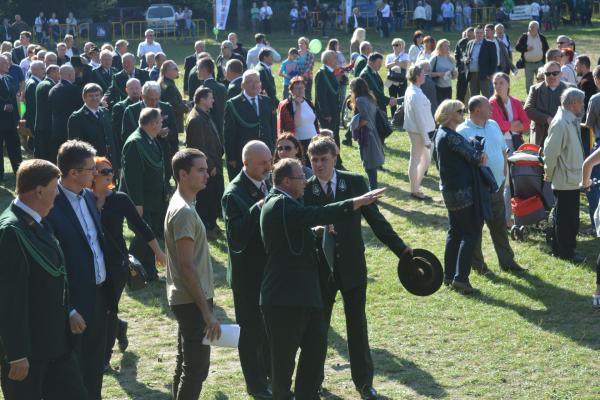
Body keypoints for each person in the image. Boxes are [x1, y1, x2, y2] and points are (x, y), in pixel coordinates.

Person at [259, 157, 386, 400]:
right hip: (285, 299)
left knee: (315, 351)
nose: (305, 182)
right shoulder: (280, 204)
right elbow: (315, 213)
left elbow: (297, 227)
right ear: (286, 181)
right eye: (300, 177)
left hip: (306, 295)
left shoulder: (286, 204)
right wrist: (356, 202)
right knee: (283, 366)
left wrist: (313, 232)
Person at [303, 136, 410, 400]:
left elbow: (376, 220)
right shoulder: (305, 189)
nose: (318, 165)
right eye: (314, 160)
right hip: (321, 270)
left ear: (335, 158)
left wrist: (402, 250)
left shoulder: (355, 183)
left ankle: (364, 384)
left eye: (323, 160)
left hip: (352, 267)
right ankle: (313, 382)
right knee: (317, 328)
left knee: (357, 327)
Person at [0, 159, 88, 400]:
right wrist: (16, 354)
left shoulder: (39, 221)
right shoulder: (11, 231)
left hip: (56, 344)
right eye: (53, 188)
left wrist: (68, 311)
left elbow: (51, 276)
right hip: (29, 353)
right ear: (39, 191)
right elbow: (9, 298)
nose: (57, 195)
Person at [46, 140, 117, 400]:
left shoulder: (88, 196)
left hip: (99, 296)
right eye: (91, 169)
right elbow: (54, 264)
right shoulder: (51, 206)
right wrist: (68, 308)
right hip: (74, 303)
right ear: (74, 173)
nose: (96, 174)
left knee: (94, 365)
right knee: (72, 372)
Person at [90, 156, 165, 371]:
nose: (109, 174)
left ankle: (104, 358)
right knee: (98, 309)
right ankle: (119, 328)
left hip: (116, 263)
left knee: (108, 309)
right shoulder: (84, 198)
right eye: (103, 171)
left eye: (110, 171)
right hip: (92, 262)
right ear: (92, 174)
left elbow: (141, 226)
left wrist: (158, 253)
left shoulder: (120, 199)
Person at [165, 148, 220, 399]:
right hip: (191, 300)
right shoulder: (184, 212)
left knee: (186, 364)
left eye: (206, 169)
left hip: (186, 298)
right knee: (196, 369)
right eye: (200, 170)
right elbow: (187, 265)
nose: (207, 174)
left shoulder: (185, 204)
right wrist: (206, 312)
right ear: (183, 175)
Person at [222, 140, 273, 399]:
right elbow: (237, 237)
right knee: (251, 333)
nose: (269, 166)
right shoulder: (234, 194)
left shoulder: (268, 183)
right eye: (263, 163)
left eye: (269, 161)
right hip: (247, 277)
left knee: (268, 331)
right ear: (246, 164)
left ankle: (270, 377)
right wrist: (260, 207)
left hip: (267, 273)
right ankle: (256, 385)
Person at [457, 95, 525, 274]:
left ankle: (508, 262)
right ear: (477, 110)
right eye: (488, 106)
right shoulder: (462, 131)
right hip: (478, 189)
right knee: (475, 228)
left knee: (499, 226)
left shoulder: (493, 124)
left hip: (497, 186)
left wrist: (503, 170)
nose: (492, 109)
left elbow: (503, 149)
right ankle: (479, 267)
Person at [434, 99, 488, 294]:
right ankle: (461, 279)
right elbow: (474, 157)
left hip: (449, 191)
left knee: (455, 232)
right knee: (471, 232)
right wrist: (480, 155)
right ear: (449, 114)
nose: (463, 113)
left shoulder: (440, 134)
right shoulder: (451, 137)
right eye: (459, 111)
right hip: (462, 192)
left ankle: (449, 275)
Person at [120, 108, 168, 282]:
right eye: (160, 121)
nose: (162, 124)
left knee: (151, 234)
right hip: (141, 200)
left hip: (153, 198)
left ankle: (149, 272)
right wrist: (137, 203)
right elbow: (131, 176)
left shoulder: (150, 140)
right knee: (143, 236)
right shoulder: (135, 142)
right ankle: (129, 270)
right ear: (153, 123)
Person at [544, 88, 586, 264]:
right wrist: (549, 173)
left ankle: (561, 247)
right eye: (581, 102)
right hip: (565, 179)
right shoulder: (561, 122)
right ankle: (566, 252)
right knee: (566, 219)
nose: (583, 105)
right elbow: (551, 152)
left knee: (566, 216)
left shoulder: (569, 120)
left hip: (571, 178)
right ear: (574, 103)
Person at [490, 72, 530, 227]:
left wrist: (509, 125)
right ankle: (506, 219)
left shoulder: (515, 102)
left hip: (517, 142)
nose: (497, 86)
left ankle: (519, 214)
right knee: (507, 182)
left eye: (500, 83)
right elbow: (499, 125)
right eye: (495, 83)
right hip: (502, 144)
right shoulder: (491, 103)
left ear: (507, 84)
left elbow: (526, 124)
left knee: (518, 180)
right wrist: (514, 124)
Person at [186, 86, 225, 241]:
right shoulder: (196, 119)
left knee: (214, 195)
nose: (213, 100)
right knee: (206, 198)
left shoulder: (204, 115)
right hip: (208, 167)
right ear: (202, 99)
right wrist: (209, 166)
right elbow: (198, 147)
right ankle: (206, 227)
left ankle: (212, 224)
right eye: (210, 98)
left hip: (214, 164)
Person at [122, 81, 177, 182]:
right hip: (142, 158)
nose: (154, 103)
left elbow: (175, 132)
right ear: (142, 96)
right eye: (151, 99)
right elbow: (126, 136)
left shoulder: (166, 107)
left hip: (163, 158)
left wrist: (167, 132)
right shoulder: (131, 111)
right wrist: (152, 133)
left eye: (157, 99)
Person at [224, 70, 275, 179]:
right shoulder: (233, 104)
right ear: (242, 85)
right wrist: (231, 157)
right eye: (250, 82)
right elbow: (229, 133)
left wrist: (273, 148)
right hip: (244, 154)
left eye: (257, 82)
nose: (254, 85)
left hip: (265, 152)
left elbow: (272, 128)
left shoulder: (267, 101)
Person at [67, 83, 119, 171]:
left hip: (109, 163)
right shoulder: (77, 117)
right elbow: (76, 147)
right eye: (91, 96)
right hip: (91, 165)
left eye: (97, 95)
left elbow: (113, 138)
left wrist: (117, 163)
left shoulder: (105, 112)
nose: (94, 98)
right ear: (84, 97)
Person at [403, 65, 435, 199]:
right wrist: (426, 139)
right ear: (417, 76)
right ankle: (415, 189)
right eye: (422, 73)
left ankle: (415, 187)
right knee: (418, 159)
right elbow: (420, 119)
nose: (425, 75)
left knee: (420, 159)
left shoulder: (413, 90)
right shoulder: (415, 94)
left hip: (416, 130)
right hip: (419, 132)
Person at [349, 77, 385, 189]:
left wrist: (354, 126)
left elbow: (365, 119)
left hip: (367, 135)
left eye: (351, 88)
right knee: (371, 164)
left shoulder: (360, 100)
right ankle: (373, 190)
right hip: (373, 133)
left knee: (369, 165)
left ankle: (373, 192)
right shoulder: (370, 98)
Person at [524, 61, 568, 146]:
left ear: (561, 74)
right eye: (548, 74)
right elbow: (527, 110)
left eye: (555, 73)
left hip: (562, 133)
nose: (551, 76)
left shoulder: (568, 89)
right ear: (544, 75)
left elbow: (577, 111)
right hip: (541, 134)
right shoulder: (535, 89)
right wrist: (547, 119)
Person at [47, 64, 84, 162]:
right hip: (71, 128)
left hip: (56, 128)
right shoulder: (74, 89)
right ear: (70, 75)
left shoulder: (52, 90)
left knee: (60, 157)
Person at [277, 76, 319, 154]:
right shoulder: (285, 105)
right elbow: (297, 124)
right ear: (291, 90)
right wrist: (298, 105)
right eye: (297, 88)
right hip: (297, 143)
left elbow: (314, 122)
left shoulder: (309, 103)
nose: (300, 90)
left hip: (313, 140)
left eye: (302, 87)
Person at [0, 54, 21, 181]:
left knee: (15, 146)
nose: (9, 65)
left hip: (11, 121)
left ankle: (19, 171)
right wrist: (2, 106)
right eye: (5, 62)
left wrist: (17, 117)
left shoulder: (9, 78)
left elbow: (14, 99)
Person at [196, 57, 227, 140]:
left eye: (198, 69)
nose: (197, 72)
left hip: (208, 128)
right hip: (221, 127)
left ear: (204, 69)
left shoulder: (202, 89)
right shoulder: (222, 87)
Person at [315, 50, 341, 146]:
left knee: (335, 135)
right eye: (335, 58)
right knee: (329, 138)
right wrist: (326, 113)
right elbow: (320, 96)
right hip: (328, 113)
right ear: (329, 60)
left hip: (334, 110)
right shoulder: (322, 73)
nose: (337, 60)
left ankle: (337, 159)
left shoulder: (329, 72)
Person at [515, 21, 549, 93]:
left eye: (532, 27)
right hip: (528, 64)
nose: (530, 29)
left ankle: (542, 95)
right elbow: (517, 47)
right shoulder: (524, 37)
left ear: (537, 29)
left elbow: (546, 49)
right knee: (528, 83)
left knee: (542, 81)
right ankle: (530, 98)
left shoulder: (542, 38)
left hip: (540, 64)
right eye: (529, 27)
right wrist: (526, 48)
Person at [33, 65, 58, 161]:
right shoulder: (48, 85)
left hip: (41, 125)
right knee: (46, 156)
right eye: (58, 72)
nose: (59, 75)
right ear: (51, 72)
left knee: (41, 154)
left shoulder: (42, 83)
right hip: (47, 126)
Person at [159, 60, 189, 139]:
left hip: (165, 121)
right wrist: (188, 108)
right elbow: (174, 106)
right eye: (175, 68)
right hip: (171, 123)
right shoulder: (169, 86)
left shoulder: (163, 82)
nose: (178, 70)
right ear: (167, 71)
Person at [111, 78, 141, 157]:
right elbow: (118, 133)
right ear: (126, 90)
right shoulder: (119, 107)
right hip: (130, 148)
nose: (135, 91)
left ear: (141, 89)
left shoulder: (146, 105)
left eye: (137, 88)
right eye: (131, 88)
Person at [465, 25, 497, 98]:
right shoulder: (470, 43)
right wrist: (465, 59)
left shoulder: (490, 44)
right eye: (477, 32)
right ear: (474, 33)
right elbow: (465, 55)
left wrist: (490, 74)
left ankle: (489, 109)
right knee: (474, 97)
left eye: (481, 32)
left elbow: (494, 60)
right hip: (472, 74)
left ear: (483, 33)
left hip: (484, 75)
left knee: (486, 96)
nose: (479, 34)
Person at [429, 38, 458, 104]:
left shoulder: (451, 59)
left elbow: (453, 77)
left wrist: (455, 73)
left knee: (447, 107)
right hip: (437, 87)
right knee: (439, 108)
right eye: (445, 46)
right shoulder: (434, 58)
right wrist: (439, 74)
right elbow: (427, 74)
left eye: (448, 46)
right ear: (439, 47)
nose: (447, 47)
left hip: (448, 87)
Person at [386, 38, 409, 114]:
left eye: (396, 45)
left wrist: (394, 63)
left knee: (402, 98)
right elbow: (387, 66)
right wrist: (397, 63)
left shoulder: (405, 55)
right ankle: (393, 116)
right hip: (391, 80)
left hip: (402, 80)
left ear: (401, 46)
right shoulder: (389, 56)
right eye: (393, 45)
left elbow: (405, 66)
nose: (394, 47)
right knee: (392, 98)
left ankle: (402, 116)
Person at [23, 60, 44, 141]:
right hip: (34, 120)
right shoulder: (33, 84)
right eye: (42, 68)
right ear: (34, 70)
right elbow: (33, 105)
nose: (44, 70)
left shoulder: (32, 81)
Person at [455, 27, 474, 104]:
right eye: (467, 35)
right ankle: (459, 108)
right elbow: (459, 54)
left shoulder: (478, 42)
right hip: (462, 70)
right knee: (460, 91)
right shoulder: (461, 42)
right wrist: (460, 64)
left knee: (474, 91)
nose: (467, 38)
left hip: (474, 70)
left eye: (470, 36)